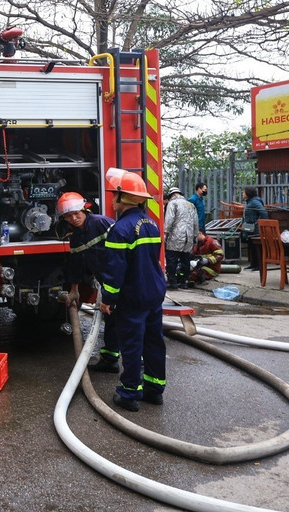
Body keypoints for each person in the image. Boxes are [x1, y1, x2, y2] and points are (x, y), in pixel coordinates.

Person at [99, 168, 167, 412]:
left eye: (113, 195)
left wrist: (107, 299)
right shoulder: (151, 224)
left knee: (131, 344)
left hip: (133, 296)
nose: (111, 200)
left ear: (122, 197)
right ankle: (154, 390)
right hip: (153, 293)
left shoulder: (120, 229)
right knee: (154, 341)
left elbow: (115, 271)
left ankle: (129, 394)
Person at [55, 192, 118, 373]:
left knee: (126, 320)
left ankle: (139, 364)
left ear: (85, 209)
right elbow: (76, 265)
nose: (74, 218)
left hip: (120, 280)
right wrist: (74, 290)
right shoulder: (76, 237)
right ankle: (110, 359)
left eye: (77, 213)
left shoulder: (101, 223)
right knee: (111, 318)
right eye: (69, 216)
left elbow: (122, 252)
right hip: (106, 281)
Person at [164, 187, 199, 289]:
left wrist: (165, 232)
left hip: (176, 235)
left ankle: (172, 282)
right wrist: (195, 234)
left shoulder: (173, 203)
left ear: (171, 195)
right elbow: (195, 221)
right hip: (189, 236)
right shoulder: (190, 204)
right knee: (185, 259)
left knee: (171, 258)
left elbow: (169, 219)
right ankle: (184, 282)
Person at [242, 186, 268, 271]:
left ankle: (258, 265)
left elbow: (263, 212)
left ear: (248, 193)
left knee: (256, 247)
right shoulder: (250, 201)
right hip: (249, 228)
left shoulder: (255, 202)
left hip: (255, 229)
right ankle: (253, 264)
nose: (243, 193)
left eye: (244, 192)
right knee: (251, 246)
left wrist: (259, 223)